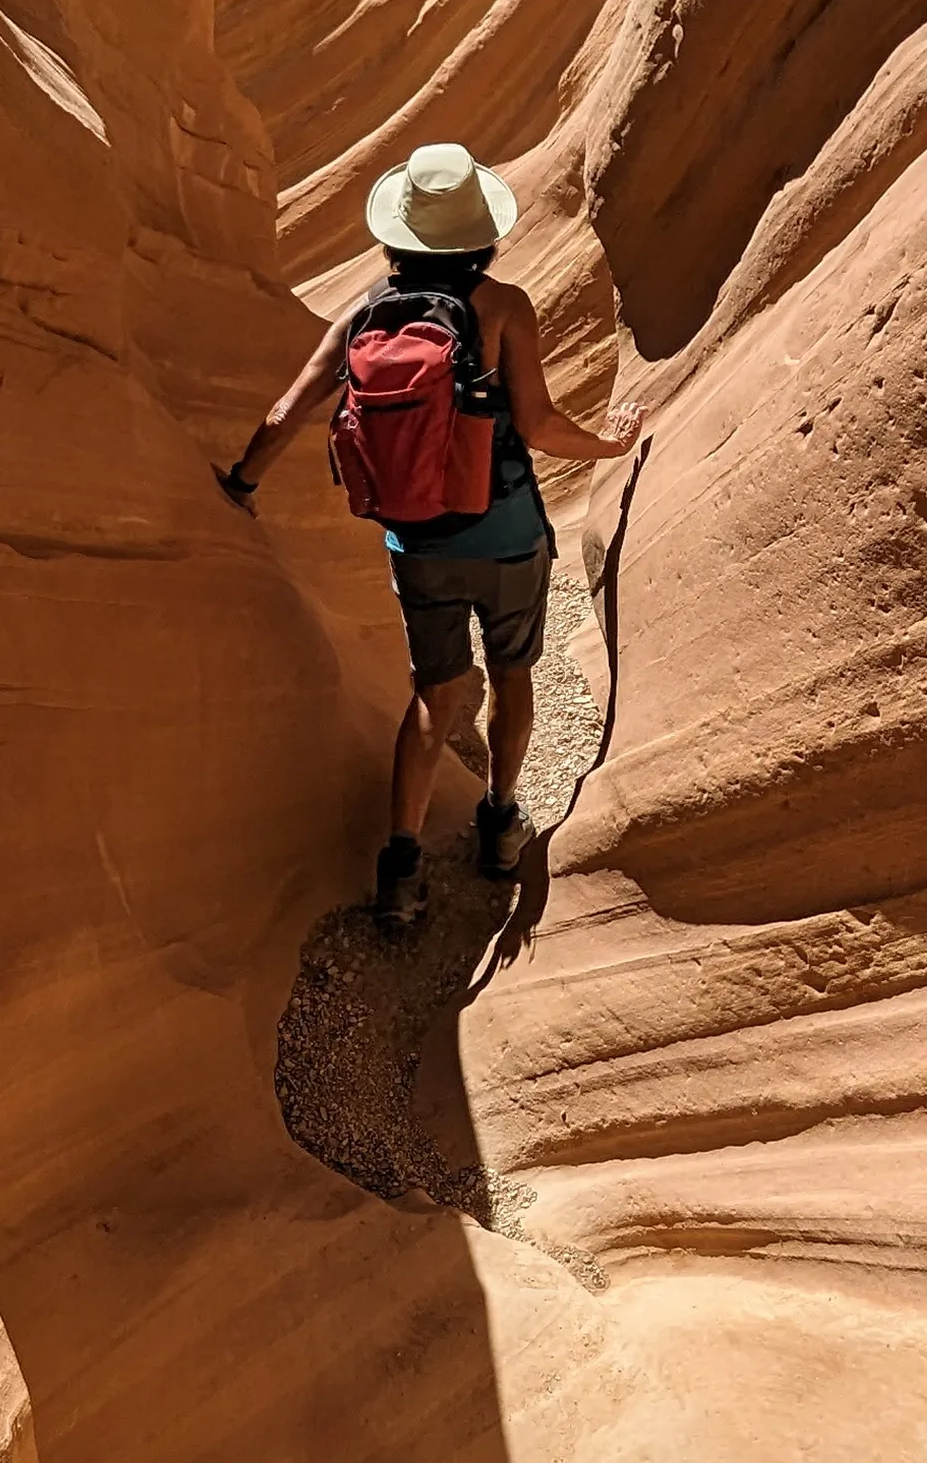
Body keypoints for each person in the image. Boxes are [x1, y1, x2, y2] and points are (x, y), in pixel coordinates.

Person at [215, 139, 640, 932]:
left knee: (432, 694)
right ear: (481, 234)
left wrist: (240, 483)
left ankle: (401, 868)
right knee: (513, 676)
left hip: (418, 546)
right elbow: (541, 425)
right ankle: (501, 825)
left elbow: (286, 412)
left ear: (398, 235)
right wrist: (613, 447)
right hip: (508, 532)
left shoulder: (365, 313)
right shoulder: (504, 307)